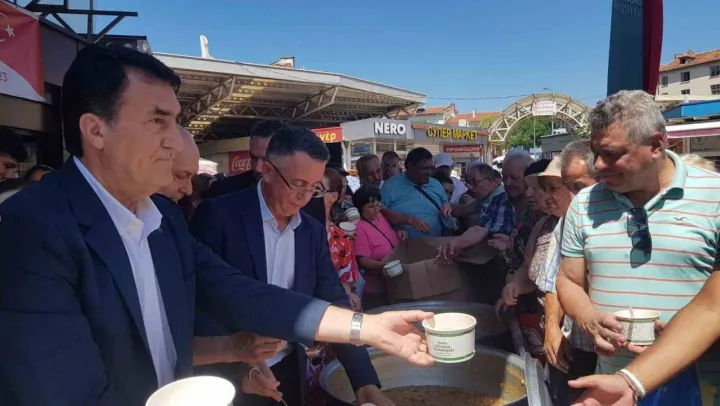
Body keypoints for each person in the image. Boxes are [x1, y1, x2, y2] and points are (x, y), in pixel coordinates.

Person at [0, 45, 434, 406]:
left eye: (175, 121)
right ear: (96, 130)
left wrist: (366, 328)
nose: (175, 140)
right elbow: (63, 390)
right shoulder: (33, 228)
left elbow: (237, 292)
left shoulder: (163, 219)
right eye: (157, 121)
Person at [190, 126, 393, 406]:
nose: (305, 197)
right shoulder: (218, 216)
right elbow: (201, 302)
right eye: (298, 184)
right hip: (230, 373)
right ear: (267, 171)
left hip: (289, 368)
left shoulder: (310, 230)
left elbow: (334, 299)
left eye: (314, 188)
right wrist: (238, 366)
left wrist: (364, 381)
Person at [555, 90, 720, 405]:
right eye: (595, 153)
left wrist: (681, 334)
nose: (598, 165)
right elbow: (568, 279)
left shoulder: (714, 195)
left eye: (612, 154)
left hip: (700, 386)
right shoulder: (584, 203)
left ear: (656, 145)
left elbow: (714, 307)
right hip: (611, 385)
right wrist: (588, 318)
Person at [204, 120, 327, 225]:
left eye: (265, 158)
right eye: (253, 158)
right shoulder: (223, 191)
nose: (258, 168)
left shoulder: (313, 199)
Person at [352, 185, 407, 310]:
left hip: (393, 284)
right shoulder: (359, 228)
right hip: (375, 289)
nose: (376, 209)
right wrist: (383, 266)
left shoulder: (380, 217)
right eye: (371, 207)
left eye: (378, 205)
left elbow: (386, 234)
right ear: (360, 208)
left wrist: (399, 233)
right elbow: (363, 261)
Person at [381, 148, 454, 238]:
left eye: (431, 168)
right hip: (401, 243)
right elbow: (381, 212)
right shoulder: (390, 185)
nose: (429, 172)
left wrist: (446, 211)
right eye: (424, 168)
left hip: (434, 242)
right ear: (409, 166)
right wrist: (409, 220)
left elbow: (447, 222)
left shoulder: (436, 185)